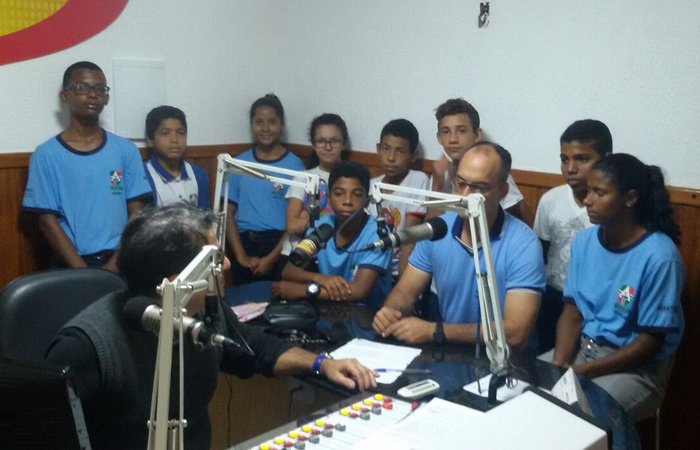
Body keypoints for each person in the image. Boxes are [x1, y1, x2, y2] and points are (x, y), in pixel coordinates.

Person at [45, 204, 377, 450]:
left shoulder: (205, 310)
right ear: (180, 281)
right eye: (216, 259)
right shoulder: (88, 346)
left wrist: (322, 363)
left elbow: (254, 348)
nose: (228, 264)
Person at [546, 154, 684, 422]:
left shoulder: (659, 256)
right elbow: (572, 312)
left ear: (630, 198)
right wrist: (559, 365)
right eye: (588, 190)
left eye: (599, 193)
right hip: (583, 350)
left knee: (577, 417)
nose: (587, 200)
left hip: (635, 368)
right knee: (526, 394)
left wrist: (584, 372)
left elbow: (649, 342)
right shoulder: (584, 242)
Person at [373, 142, 545, 348]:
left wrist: (435, 331)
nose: (464, 196)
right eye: (460, 183)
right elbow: (405, 293)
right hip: (452, 348)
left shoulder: (524, 244)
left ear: (503, 191)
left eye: (479, 188)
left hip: (507, 357)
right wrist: (390, 311)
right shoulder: (438, 229)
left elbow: (516, 332)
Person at [22, 61, 151, 270]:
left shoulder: (125, 150)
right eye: (81, 87)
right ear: (64, 96)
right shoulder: (46, 155)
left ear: (106, 97)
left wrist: (114, 265)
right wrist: (84, 274)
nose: (92, 95)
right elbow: (46, 222)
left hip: (120, 259)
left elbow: (137, 214)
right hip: (69, 263)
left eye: (100, 89)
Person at [533, 119, 613, 352]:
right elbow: (541, 253)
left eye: (582, 159)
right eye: (564, 159)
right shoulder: (551, 200)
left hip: (595, 302)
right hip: (553, 297)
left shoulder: (611, 206)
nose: (570, 168)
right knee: (548, 360)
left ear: (605, 159)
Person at [273, 162, 392, 309]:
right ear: (329, 199)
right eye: (339, 194)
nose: (347, 201)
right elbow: (289, 270)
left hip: (368, 312)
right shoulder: (321, 226)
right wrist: (320, 279)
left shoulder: (378, 234)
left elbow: (358, 291)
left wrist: (306, 290)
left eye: (357, 195)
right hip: (331, 307)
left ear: (367, 202)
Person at [225, 94, 305, 284]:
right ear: (251, 125)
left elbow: (298, 219)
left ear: (282, 125)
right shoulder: (238, 164)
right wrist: (241, 257)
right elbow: (227, 214)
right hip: (244, 244)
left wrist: (272, 258)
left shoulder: (295, 165)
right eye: (259, 122)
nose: (265, 128)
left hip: (281, 244)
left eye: (272, 122)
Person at [429, 98, 532, 225]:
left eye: (461, 131)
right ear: (439, 138)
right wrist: (437, 185)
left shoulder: (491, 171)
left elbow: (520, 225)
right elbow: (430, 230)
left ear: (477, 135)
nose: (453, 139)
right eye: (445, 132)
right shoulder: (440, 173)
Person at [367, 119, 429, 279]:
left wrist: (402, 281)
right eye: (386, 149)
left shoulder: (416, 180)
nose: (391, 157)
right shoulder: (371, 185)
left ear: (413, 156)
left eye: (400, 151)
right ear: (378, 149)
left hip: (397, 271)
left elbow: (410, 236)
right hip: (371, 266)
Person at [283, 113, 348, 257]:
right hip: (298, 251)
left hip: (333, 253)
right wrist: (313, 216)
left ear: (343, 144)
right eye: (321, 141)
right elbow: (292, 226)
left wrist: (305, 217)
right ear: (313, 144)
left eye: (334, 141)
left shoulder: (350, 179)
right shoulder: (302, 178)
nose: (328, 147)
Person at [143, 105, 209, 209]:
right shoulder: (144, 175)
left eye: (180, 133)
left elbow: (204, 214)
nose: (174, 140)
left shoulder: (198, 174)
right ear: (151, 140)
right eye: (165, 133)